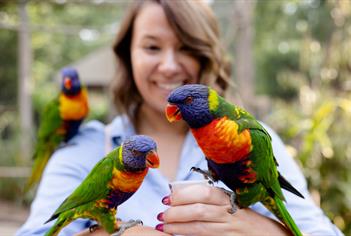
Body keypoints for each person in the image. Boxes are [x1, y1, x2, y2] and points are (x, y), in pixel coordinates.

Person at [17, 0, 343, 235]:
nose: (170, 66)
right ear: (127, 55)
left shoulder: (250, 138)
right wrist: (115, 234)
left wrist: (259, 230)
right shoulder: (84, 149)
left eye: (185, 47)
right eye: (152, 47)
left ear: (205, 55)